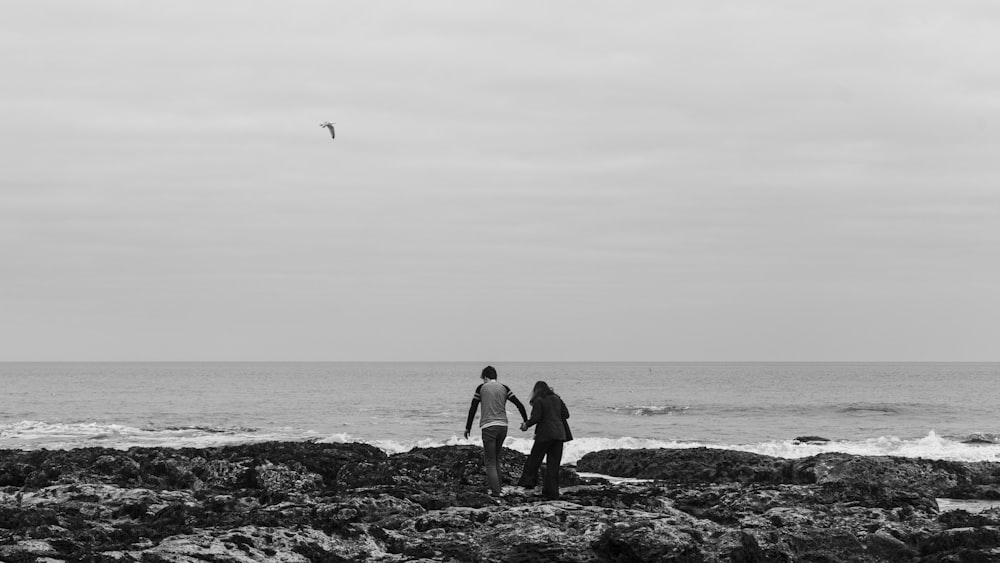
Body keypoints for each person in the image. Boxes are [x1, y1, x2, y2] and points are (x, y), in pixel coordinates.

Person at [464, 365, 528, 497]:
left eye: (483, 378)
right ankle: (499, 487)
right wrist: (525, 421)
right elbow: (519, 404)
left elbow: (473, 408)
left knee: (490, 461)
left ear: (485, 377)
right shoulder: (504, 388)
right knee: (496, 458)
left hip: (489, 427)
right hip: (503, 426)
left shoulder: (481, 388)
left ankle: (495, 492)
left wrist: (468, 427)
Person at [517, 380, 571, 500]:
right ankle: (552, 493)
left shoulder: (539, 400)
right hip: (559, 436)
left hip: (545, 435)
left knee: (534, 460)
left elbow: (536, 418)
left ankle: (528, 484)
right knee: (553, 465)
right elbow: (566, 415)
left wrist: (526, 424)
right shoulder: (557, 399)